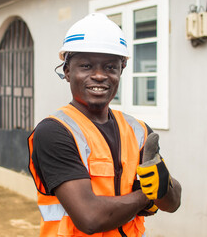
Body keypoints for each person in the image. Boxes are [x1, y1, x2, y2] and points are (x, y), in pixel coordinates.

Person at [28, 13, 181, 237]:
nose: (99, 76)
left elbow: (173, 202)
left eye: (110, 67)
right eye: (87, 66)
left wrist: (163, 183)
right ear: (67, 71)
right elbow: (90, 218)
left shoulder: (138, 130)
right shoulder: (54, 131)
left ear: (121, 71)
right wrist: (146, 196)